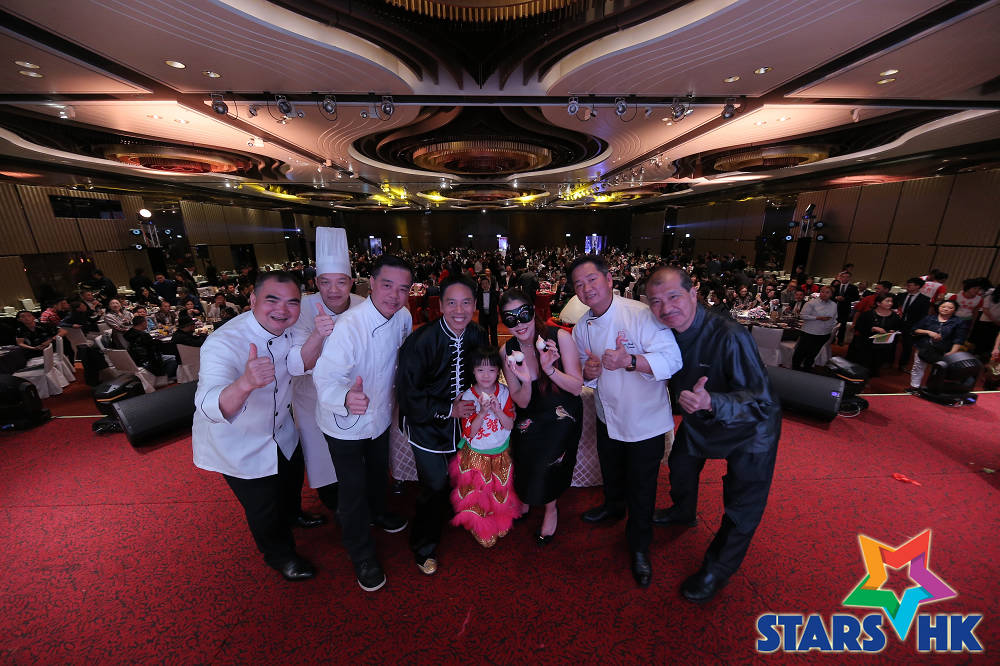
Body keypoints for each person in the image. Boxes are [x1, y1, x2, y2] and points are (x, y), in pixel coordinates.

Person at [646, 266, 781, 602]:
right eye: (656, 301)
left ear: (694, 294)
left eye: (674, 297)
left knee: (742, 505)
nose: (666, 308)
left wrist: (712, 401)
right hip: (703, 417)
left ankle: (716, 571)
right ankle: (683, 511)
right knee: (680, 463)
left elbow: (761, 401)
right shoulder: (664, 333)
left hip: (751, 426)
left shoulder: (730, 335)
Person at [192, 271, 315, 581]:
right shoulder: (223, 342)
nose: (282, 310)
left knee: (291, 477)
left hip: (281, 427)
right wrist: (245, 382)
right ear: (252, 300)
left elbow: (302, 361)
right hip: (239, 440)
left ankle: (294, 515)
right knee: (263, 505)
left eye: (292, 302)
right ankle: (280, 555)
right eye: (272, 300)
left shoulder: (292, 328)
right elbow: (208, 404)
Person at [569, 255, 682, 588]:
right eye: (578, 284)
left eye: (592, 279)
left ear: (609, 280)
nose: (586, 289)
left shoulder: (641, 314)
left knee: (643, 489)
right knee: (612, 472)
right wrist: (589, 371)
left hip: (644, 421)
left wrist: (630, 360)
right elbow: (585, 372)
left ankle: (639, 546)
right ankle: (613, 507)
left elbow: (672, 360)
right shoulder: (581, 327)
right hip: (608, 416)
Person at [313, 254, 413, 592]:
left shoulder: (403, 317)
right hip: (344, 423)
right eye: (387, 285)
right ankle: (361, 553)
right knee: (352, 489)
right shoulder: (349, 326)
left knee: (378, 472)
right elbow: (324, 377)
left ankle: (379, 513)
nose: (394, 296)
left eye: (403, 289)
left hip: (380, 414)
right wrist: (345, 397)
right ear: (371, 283)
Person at [397, 274, 488, 577]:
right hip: (426, 425)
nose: (459, 311)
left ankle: (456, 516)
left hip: (462, 424)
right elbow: (409, 396)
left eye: (466, 303)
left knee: (461, 477)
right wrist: (449, 410)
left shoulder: (477, 334)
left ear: (475, 304)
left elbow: (484, 372)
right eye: (451, 303)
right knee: (434, 484)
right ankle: (423, 545)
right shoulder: (420, 341)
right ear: (440, 305)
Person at [287, 227, 365, 519]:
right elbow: (297, 365)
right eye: (325, 282)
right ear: (316, 282)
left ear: (351, 282)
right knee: (322, 455)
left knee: (357, 452)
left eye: (341, 282)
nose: (333, 290)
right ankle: (334, 502)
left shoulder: (363, 306)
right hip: (312, 399)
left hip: (354, 393)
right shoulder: (303, 309)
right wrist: (318, 335)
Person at [500, 290, 583, 544]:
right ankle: (527, 497)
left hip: (562, 408)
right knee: (523, 445)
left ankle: (550, 508)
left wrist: (549, 369)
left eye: (523, 314)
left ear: (533, 311)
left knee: (550, 449)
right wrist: (525, 381)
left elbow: (576, 387)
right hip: (531, 409)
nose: (519, 323)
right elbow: (522, 401)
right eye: (510, 319)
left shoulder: (559, 338)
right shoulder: (507, 351)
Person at [448, 345, 519, 547]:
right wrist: (481, 412)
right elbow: (470, 433)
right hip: (476, 454)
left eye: (491, 370)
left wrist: (497, 410)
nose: (486, 375)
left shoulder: (504, 393)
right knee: (478, 492)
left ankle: (499, 517)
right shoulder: (467, 397)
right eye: (480, 370)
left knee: (499, 488)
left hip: (500, 452)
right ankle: (479, 523)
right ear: (473, 371)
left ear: (499, 371)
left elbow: (509, 425)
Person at [907, 300, 968, 393]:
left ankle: (932, 389)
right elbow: (914, 329)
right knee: (918, 366)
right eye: (943, 307)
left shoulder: (959, 322)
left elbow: (959, 339)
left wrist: (953, 352)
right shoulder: (929, 318)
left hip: (943, 350)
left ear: (955, 310)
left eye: (950, 308)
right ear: (939, 307)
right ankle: (914, 387)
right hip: (924, 346)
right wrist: (928, 332)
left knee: (938, 370)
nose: (946, 309)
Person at [847, 294, 901, 376]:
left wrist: (892, 331)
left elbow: (898, 328)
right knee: (862, 365)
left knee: (875, 367)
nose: (890, 303)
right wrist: (871, 328)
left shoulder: (895, 317)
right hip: (866, 345)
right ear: (878, 303)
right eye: (887, 301)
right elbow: (858, 327)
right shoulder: (868, 314)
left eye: (891, 301)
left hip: (883, 346)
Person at [792, 285, 837, 371]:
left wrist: (831, 328)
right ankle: (795, 369)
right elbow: (802, 316)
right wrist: (817, 318)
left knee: (813, 353)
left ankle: (807, 369)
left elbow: (834, 318)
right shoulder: (811, 303)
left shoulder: (833, 305)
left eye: (827, 292)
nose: (824, 294)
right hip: (809, 332)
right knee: (800, 352)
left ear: (831, 294)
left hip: (824, 333)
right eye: (822, 292)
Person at [123, 313, 178, 378]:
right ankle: (164, 377)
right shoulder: (143, 335)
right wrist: (158, 342)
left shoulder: (127, 334)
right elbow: (153, 348)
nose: (147, 324)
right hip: (147, 360)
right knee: (174, 358)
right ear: (143, 323)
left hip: (134, 360)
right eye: (146, 322)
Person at [894, 277, 931, 370]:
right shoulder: (901, 295)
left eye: (910, 285)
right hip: (897, 322)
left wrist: (917, 327)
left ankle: (902, 364)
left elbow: (923, 316)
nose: (907, 287)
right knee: (892, 342)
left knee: (907, 345)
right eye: (907, 285)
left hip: (911, 325)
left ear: (917, 286)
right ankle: (889, 361)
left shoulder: (924, 299)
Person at [832, 271, 859, 345]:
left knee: (842, 325)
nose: (845, 278)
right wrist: (836, 297)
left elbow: (856, 297)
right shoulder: (836, 286)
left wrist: (845, 299)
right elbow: (831, 296)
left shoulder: (853, 287)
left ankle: (840, 340)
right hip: (834, 308)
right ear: (840, 277)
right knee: (833, 324)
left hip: (845, 309)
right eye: (843, 277)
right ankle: (832, 338)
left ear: (850, 278)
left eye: (847, 277)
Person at [475, 275, 500, 346]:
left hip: (492, 316)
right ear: (481, 285)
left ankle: (495, 348)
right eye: (483, 284)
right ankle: (486, 348)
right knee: (484, 334)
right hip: (483, 317)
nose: (484, 285)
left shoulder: (495, 293)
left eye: (486, 283)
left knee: (494, 334)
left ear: (489, 284)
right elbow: (477, 306)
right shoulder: (479, 294)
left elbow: (498, 303)